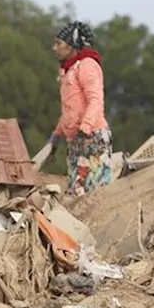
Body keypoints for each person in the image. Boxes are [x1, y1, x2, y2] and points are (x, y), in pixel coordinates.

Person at [48, 20, 111, 196]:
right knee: (76, 192)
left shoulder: (87, 65)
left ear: (71, 46)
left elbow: (95, 100)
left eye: (58, 43)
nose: (55, 48)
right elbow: (70, 111)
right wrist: (56, 136)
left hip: (92, 138)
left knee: (93, 193)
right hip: (77, 138)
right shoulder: (68, 71)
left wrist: (85, 128)